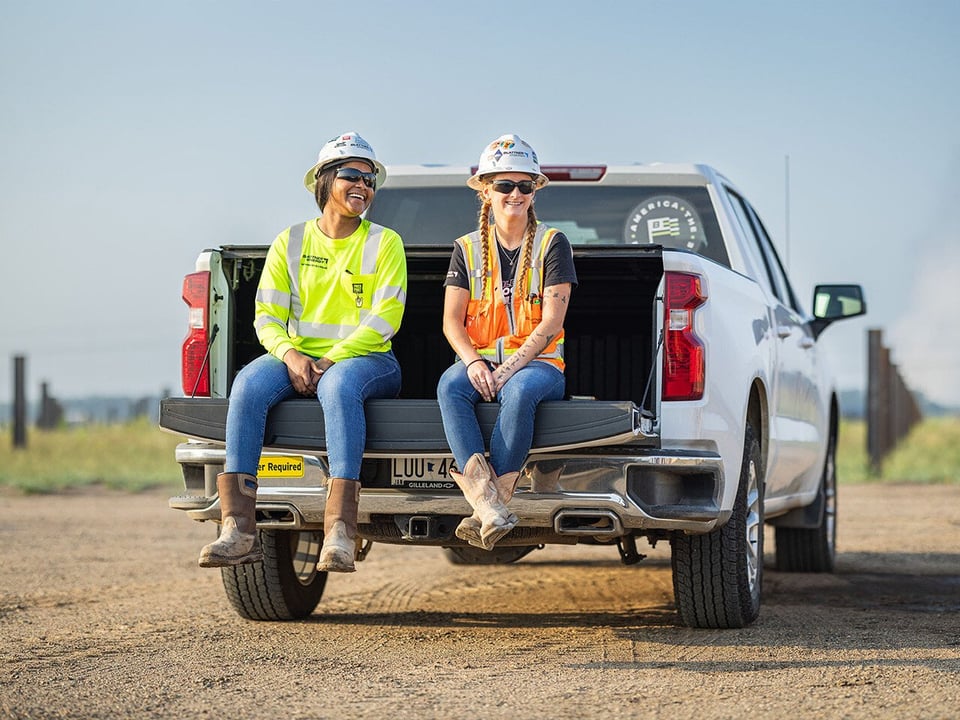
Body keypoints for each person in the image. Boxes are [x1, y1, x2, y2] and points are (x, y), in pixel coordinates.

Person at [198, 132, 406, 573]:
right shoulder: (290, 242)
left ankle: (340, 533)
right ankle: (237, 529)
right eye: (353, 175)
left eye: (370, 180)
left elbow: (386, 317)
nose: (364, 186)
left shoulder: (385, 242)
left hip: (368, 360)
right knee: (249, 384)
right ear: (325, 180)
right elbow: (266, 317)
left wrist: (330, 360)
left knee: (339, 386)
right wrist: (291, 357)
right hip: (298, 357)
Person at [438, 134, 577, 551]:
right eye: (503, 185)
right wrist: (474, 364)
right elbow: (450, 322)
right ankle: (488, 505)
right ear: (485, 191)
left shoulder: (554, 243)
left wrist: (505, 369)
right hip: (480, 361)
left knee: (517, 393)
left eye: (525, 185)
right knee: (449, 386)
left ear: (534, 193)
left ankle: (488, 504)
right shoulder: (465, 248)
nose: (514, 193)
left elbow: (552, 322)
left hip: (540, 366)